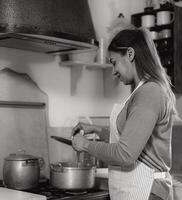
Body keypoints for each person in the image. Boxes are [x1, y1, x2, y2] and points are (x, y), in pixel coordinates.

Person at [71, 28, 176, 200]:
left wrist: (84, 145)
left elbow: (125, 154)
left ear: (130, 54)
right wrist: (96, 130)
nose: (113, 71)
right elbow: (131, 138)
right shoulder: (144, 91)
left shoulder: (149, 93)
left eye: (114, 62)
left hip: (148, 190)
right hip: (141, 188)